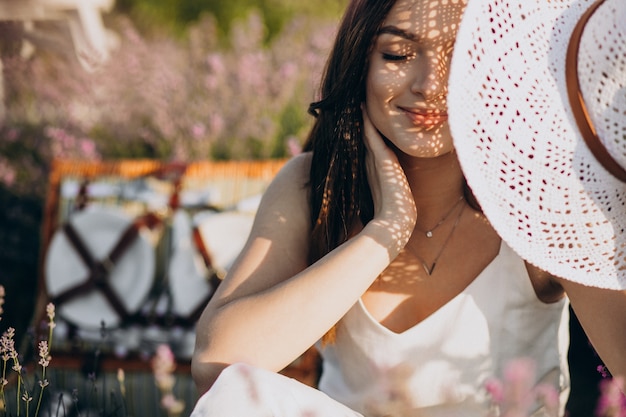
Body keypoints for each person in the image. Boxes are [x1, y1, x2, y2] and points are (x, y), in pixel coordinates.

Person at [190, 0, 626, 415]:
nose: (429, 85)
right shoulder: (312, 185)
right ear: (360, 60)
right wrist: (385, 233)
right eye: (397, 54)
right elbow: (217, 366)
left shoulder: (539, 198)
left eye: (459, 58)